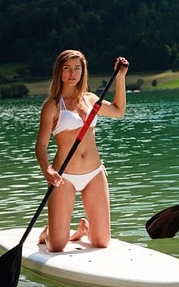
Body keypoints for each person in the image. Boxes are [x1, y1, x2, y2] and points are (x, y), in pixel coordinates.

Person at [35, 49, 129, 252]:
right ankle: (48, 231)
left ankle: (82, 229)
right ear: (59, 72)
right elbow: (41, 145)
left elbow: (118, 111)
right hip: (64, 176)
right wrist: (47, 170)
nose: (72, 73)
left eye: (77, 68)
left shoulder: (90, 99)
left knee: (102, 242)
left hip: (94, 173)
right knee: (57, 246)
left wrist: (120, 77)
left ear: (83, 71)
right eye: (67, 68)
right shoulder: (52, 105)